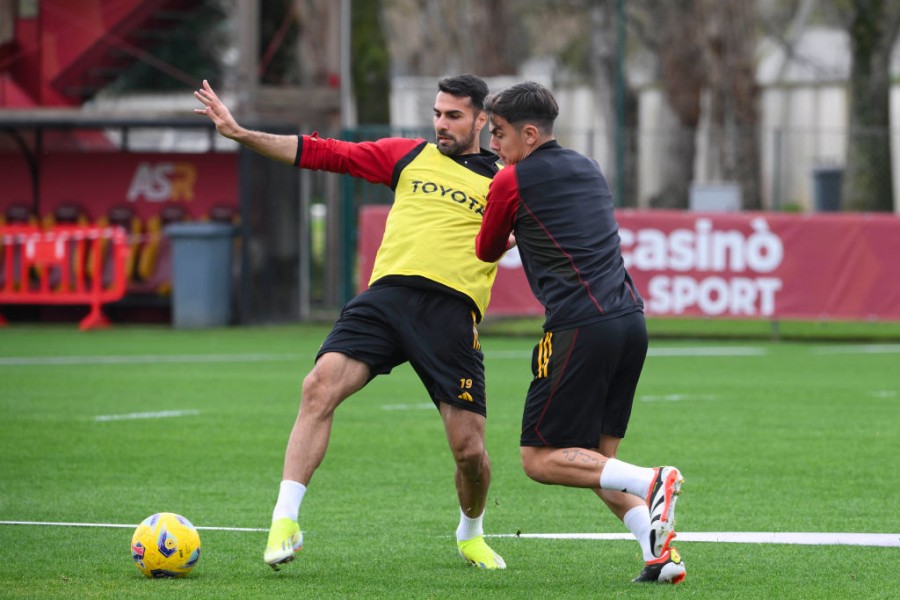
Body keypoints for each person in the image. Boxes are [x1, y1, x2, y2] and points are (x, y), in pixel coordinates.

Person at [194, 74, 506, 570]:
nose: (441, 124)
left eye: (454, 116)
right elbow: (324, 152)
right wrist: (242, 133)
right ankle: (284, 521)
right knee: (317, 386)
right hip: (385, 298)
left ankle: (470, 532)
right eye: (437, 113)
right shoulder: (408, 156)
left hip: (450, 312)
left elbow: (541, 235)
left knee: (470, 453)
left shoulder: (506, 181)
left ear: (483, 119)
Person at [474, 81, 685, 584]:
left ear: (529, 134)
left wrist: (504, 219)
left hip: (578, 329)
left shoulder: (511, 181)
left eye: (499, 135)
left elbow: (485, 250)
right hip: (630, 321)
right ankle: (659, 557)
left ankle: (652, 480)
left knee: (540, 459)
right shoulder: (589, 167)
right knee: (595, 460)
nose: (493, 147)